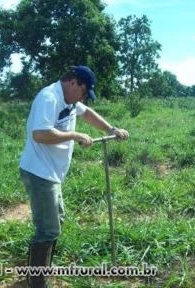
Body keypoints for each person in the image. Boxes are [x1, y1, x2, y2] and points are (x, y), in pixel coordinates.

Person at [19, 65, 129, 287]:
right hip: (39, 172)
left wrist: (111, 129)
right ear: (73, 82)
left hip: (51, 173)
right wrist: (75, 135)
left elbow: (87, 113)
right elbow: (40, 134)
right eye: (83, 92)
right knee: (48, 228)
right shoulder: (49, 97)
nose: (83, 98)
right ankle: (36, 282)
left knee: (56, 221)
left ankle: (41, 272)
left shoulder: (70, 101)